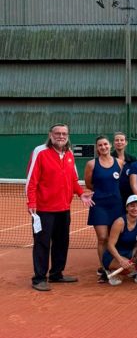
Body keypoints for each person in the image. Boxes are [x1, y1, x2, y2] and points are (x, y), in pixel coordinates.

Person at [26, 123, 93, 290]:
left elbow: (73, 179)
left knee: (61, 242)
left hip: (64, 208)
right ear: (50, 135)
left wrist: (80, 193)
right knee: (42, 244)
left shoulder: (69, 153)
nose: (61, 136)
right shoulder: (40, 152)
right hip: (44, 209)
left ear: (67, 136)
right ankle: (39, 279)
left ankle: (56, 274)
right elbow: (31, 180)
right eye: (57, 133)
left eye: (64, 133)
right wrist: (31, 202)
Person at [84, 136, 124, 282]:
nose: (103, 147)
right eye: (100, 145)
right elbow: (89, 184)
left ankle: (112, 265)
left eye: (105, 144)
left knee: (114, 238)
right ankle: (104, 270)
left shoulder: (120, 162)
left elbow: (119, 182)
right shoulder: (91, 164)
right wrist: (101, 193)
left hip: (116, 204)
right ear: (97, 148)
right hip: (99, 205)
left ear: (110, 145)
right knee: (102, 238)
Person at [103, 194, 137, 285]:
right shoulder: (119, 222)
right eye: (132, 206)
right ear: (127, 207)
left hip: (130, 252)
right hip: (113, 255)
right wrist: (121, 260)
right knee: (130, 269)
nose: (135, 209)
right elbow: (110, 245)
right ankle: (112, 271)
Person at [112, 131, 136, 207]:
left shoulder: (132, 159)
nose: (119, 142)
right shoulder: (108, 158)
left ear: (126, 143)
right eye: (117, 140)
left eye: (122, 140)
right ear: (113, 143)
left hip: (128, 196)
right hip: (113, 195)